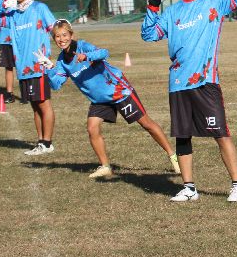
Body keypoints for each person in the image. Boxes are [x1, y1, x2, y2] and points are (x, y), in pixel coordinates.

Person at [141, 0, 237, 202]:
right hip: (178, 83)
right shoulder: (172, 12)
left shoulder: (216, 0)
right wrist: (153, 7)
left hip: (205, 81)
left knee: (220, 133)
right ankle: (189, 188)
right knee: (183, 136)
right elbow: (149, 34)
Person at [40, 19, 179, 179]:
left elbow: (104, 53)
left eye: (64, 35)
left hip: (118, 91)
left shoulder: (82, 46)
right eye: (57, 36)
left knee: (146, 124)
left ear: (71, 35)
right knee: (92, 128)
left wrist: (86, 56)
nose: (61, 39)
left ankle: (173, 156)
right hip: (99, 100)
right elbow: (56, 85)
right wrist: (49, 69)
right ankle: (105, 166)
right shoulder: (61, 61)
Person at [0, 0, 57, 155]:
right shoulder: (12, 14)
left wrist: (64, 51)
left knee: (44, 104)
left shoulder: (39, 8)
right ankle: (41, 142)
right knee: (35, 106)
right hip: (23, 68)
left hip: (39, 66)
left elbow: (55, 29)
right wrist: (2, 6)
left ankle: (47, 143)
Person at [0, 0, 17, 103]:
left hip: (20, 35)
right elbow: (0, 10)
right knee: (8, 66)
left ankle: (27, 93)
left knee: (24, 66)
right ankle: (9, 94)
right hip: (5, 37)